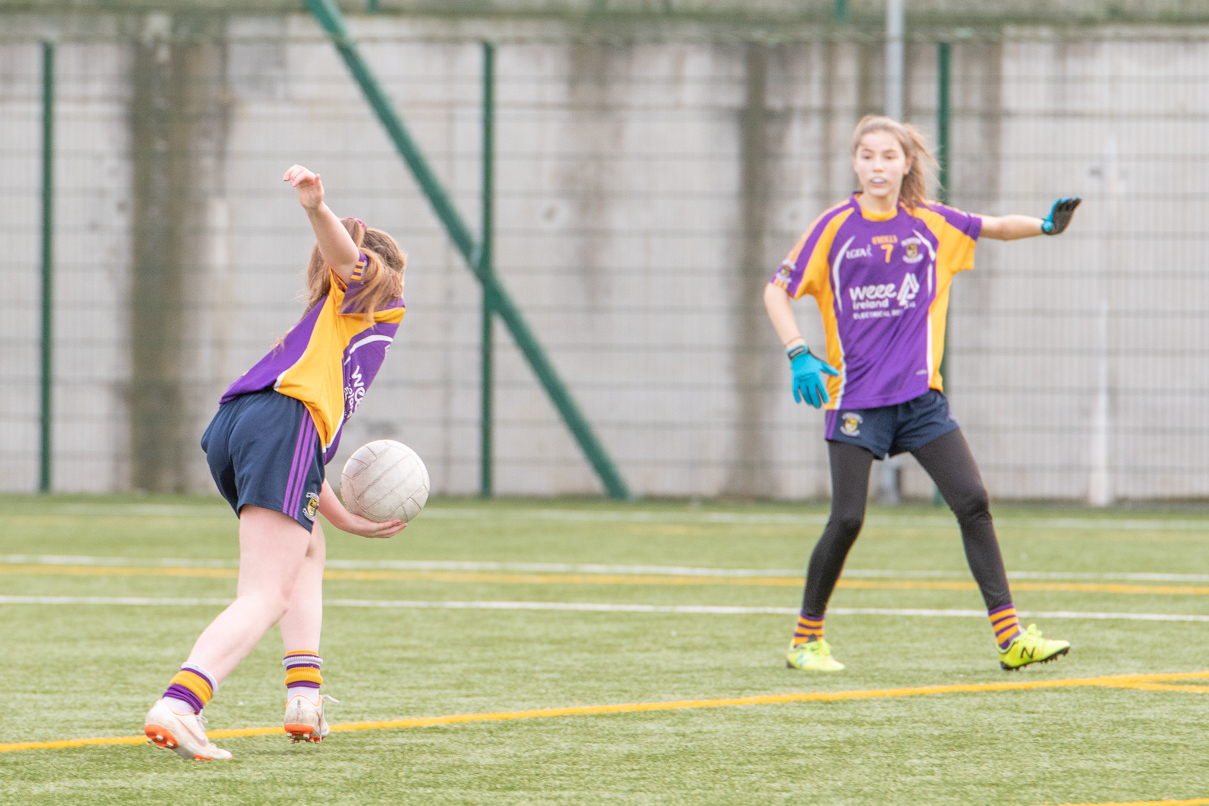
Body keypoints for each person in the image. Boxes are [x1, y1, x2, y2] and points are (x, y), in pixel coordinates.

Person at [763, 115, 1081, 673]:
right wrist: (798, 351)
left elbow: (996, 226)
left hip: (920, 401)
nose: (877, 166)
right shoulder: (834, 227)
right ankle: (805, 640)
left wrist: (1046, 226)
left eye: (889, 156)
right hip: (856, 398)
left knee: (972, 502)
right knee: (847, 519)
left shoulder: (930, 224)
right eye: (867, 155)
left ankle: (1010, 639)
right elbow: (776, 290)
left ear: (907, 163)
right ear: (855, 163)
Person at [143, 165, 409, 760]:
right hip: (278, 426)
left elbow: (305, 449)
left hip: (240, 428)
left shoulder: (323, 329)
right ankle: (181, 704)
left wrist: (339, 516)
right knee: (264, 593)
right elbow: (351, 262)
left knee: (308, 547)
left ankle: (304, 695)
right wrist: (319, 210)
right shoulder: (375, 298)